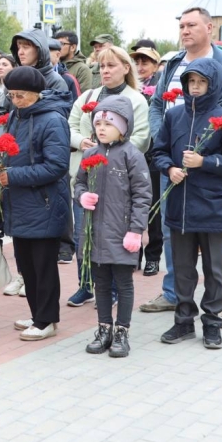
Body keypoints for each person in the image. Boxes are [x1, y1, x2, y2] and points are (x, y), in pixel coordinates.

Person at [141, 6, 222, 318]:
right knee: (173, 228)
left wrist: (200, 156)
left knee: (213, 236)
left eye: (192, 25)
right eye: (181, 25)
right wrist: (167, 142)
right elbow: (158, 104)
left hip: (206, 162)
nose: (185, 31)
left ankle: (220, 306)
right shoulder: (172, 62)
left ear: (209, 28)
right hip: (173, 161)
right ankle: (174, 294)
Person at [151, 58, 222, 349]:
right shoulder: (174, 115)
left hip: (211, 205)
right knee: (181, 267)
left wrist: (205, 162)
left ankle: (213, 323)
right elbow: (159, 151)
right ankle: (183, 320)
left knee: (215, 270)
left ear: (213, 84)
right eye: (191, 82)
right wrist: (169, 168)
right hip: (179, 206)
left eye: (202, 82)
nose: (195, 87)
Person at [66, 46, 150, 303]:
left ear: (126, 68)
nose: (105, 70)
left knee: (114, 236)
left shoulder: (136, 99)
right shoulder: (89, 95)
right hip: (87, 177)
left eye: (111, 65)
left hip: (117, 181)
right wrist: (82, 142)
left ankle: (113, 287)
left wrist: (109, 151)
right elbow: (68, 125)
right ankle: (86, 284)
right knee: (85, 233)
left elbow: (141, 138)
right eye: (102, 66)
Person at [74, 97, 152, 358]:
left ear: (124, 126)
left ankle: (122, 331)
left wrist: (136, 230)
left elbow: (142, 195)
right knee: (101, 283)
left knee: (124, 283)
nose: (102, 128)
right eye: (98, 123)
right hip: (94, 232)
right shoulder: (90, 154)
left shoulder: (133, 155)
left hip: (122, 233)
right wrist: (82, 196)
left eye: (109, 123)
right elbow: (79, 183)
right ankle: (103, 328)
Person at [0, 66, 71, 342]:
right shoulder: (16, 116)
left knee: (43, 266)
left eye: (20, 96)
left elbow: (57, 166)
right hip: (20, 202)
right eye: (12, 95)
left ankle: (47, 319)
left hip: (44, 203)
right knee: (26, 266)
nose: (15, 101)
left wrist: (12, 175)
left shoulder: (52, 119)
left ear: (36, 94)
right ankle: (36, 314)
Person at [132, 44, 164, 275]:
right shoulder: (129, 87)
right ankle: (134, 253)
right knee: (131, 207)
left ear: (155, 65)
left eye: (146, 62)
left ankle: (153, 255)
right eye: (137, 62)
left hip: (152, 154)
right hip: (130, 153)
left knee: (153, 208)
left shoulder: (160, 88)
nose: (141, 67)